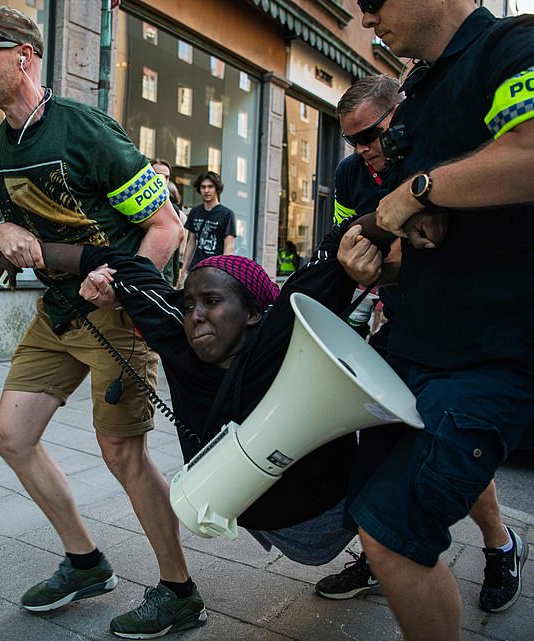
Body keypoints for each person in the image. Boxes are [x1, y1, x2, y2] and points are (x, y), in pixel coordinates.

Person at [0, 6, 198, 639]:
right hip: (55, 315)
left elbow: (166, 228)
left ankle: (180, 591)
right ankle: (86, 561)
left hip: (117, 316)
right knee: (11, 437)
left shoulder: (85, 132)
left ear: (24, 55)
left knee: (123, 453)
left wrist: (116, 280)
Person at [346, 2, 534, 640]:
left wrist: (412, 193)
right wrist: (379, 260)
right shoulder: (421, 88)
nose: (367, 18)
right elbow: (440, 242)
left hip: (501, 353)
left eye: (373, 2)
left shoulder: (523, 41)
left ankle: (492, 547)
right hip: (423, 345)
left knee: (394, 532)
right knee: (370, 504)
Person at [36, 212, 396, 571]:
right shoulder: (177, 333)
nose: (195, 315)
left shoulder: (280, 332)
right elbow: (114, 262)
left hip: (331, 512)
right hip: (256, 514)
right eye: (189, 304)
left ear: (254, 313)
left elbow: (339, 241)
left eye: (211, 301)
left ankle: (379, 560)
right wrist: (33, 249)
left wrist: (410, 200)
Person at [319, 75, 525, 616]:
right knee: (377, 447)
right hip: (402, 327)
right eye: (353, 141)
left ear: (399, 117)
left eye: (372, 136)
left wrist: (397, 255)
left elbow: (460, 255)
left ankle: (500, 546)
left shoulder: (436, 156)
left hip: (463, 337)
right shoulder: (348, 175)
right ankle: (376, 551)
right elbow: (349, 249)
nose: (363, 151)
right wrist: (362, 268)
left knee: (444, 454)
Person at [179, 171, 235, 283]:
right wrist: (183, 270)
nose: (206, 191)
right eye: (203, 187)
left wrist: (224, 273)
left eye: (210, 187)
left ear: (217, 189)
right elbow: (191, 243)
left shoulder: (227, 214)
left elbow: (228, 248)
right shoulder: (195, 212)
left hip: (215, 271)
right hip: (196, 268)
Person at [151, 158, 186, 287]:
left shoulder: (174, 211)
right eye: (158, 175)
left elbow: (176, 249)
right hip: (144, 274)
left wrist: (175, 276)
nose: (163, 180)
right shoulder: (137, 208)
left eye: (166, 177)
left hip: (166, 278)